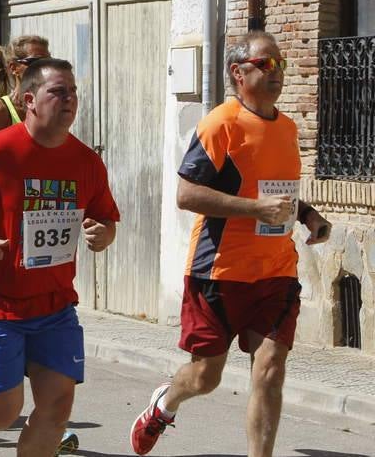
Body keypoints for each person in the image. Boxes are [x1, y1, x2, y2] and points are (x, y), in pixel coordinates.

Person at [129, 31, 332, 457]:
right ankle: (165, 404)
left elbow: (278, 193)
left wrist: (308, 215)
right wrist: (255, 209)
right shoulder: (221, 123)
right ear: (239, 73)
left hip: (276, 271)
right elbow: (187, 194)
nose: (276, 72)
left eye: (280, 64)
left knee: (271, 369)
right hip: (218, 271)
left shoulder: (288, 127)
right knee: (206, 377)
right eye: (266, 64)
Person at [0, 58, 120, 456]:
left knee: (57, 407)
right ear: (30, 100)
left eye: (73, 92)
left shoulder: (86, 162)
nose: (69, 99)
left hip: (54, 304)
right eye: (58, 91)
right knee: (1, 412)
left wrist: (104, 234)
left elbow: (105, 217)